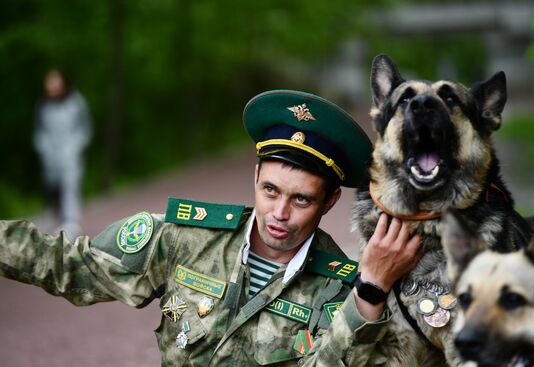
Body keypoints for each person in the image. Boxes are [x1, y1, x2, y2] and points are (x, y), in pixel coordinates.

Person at [1, 89, 420, 366]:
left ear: (329, 201)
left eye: (301, 199)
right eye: (271, 190)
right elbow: (67, 265)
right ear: (255, 177)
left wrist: (371, 290)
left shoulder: (342, 290)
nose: (279, 212)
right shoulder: (187, 239)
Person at [33, 68, 93, 239]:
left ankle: (71, 222)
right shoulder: (43, 105)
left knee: (70, 186)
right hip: (51, 155)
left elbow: (85, 127)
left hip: (71, 153)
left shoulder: (76, 102)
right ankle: (55, 215)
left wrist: (77, 145)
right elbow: (40, 130)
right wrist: (43, 147)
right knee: (53, 186)